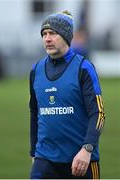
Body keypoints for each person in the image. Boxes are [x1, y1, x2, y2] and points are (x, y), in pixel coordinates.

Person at [29, 10, 105, 179]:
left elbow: (98, 113)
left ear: (65, 36)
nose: (47, 38)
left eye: (53, 33)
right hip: (45, 158)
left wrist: (87, 149)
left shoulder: (84, 68)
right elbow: (34, 112)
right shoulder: (36, 70)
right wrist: (34, 152)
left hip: (80, 160)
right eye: (44, 34)